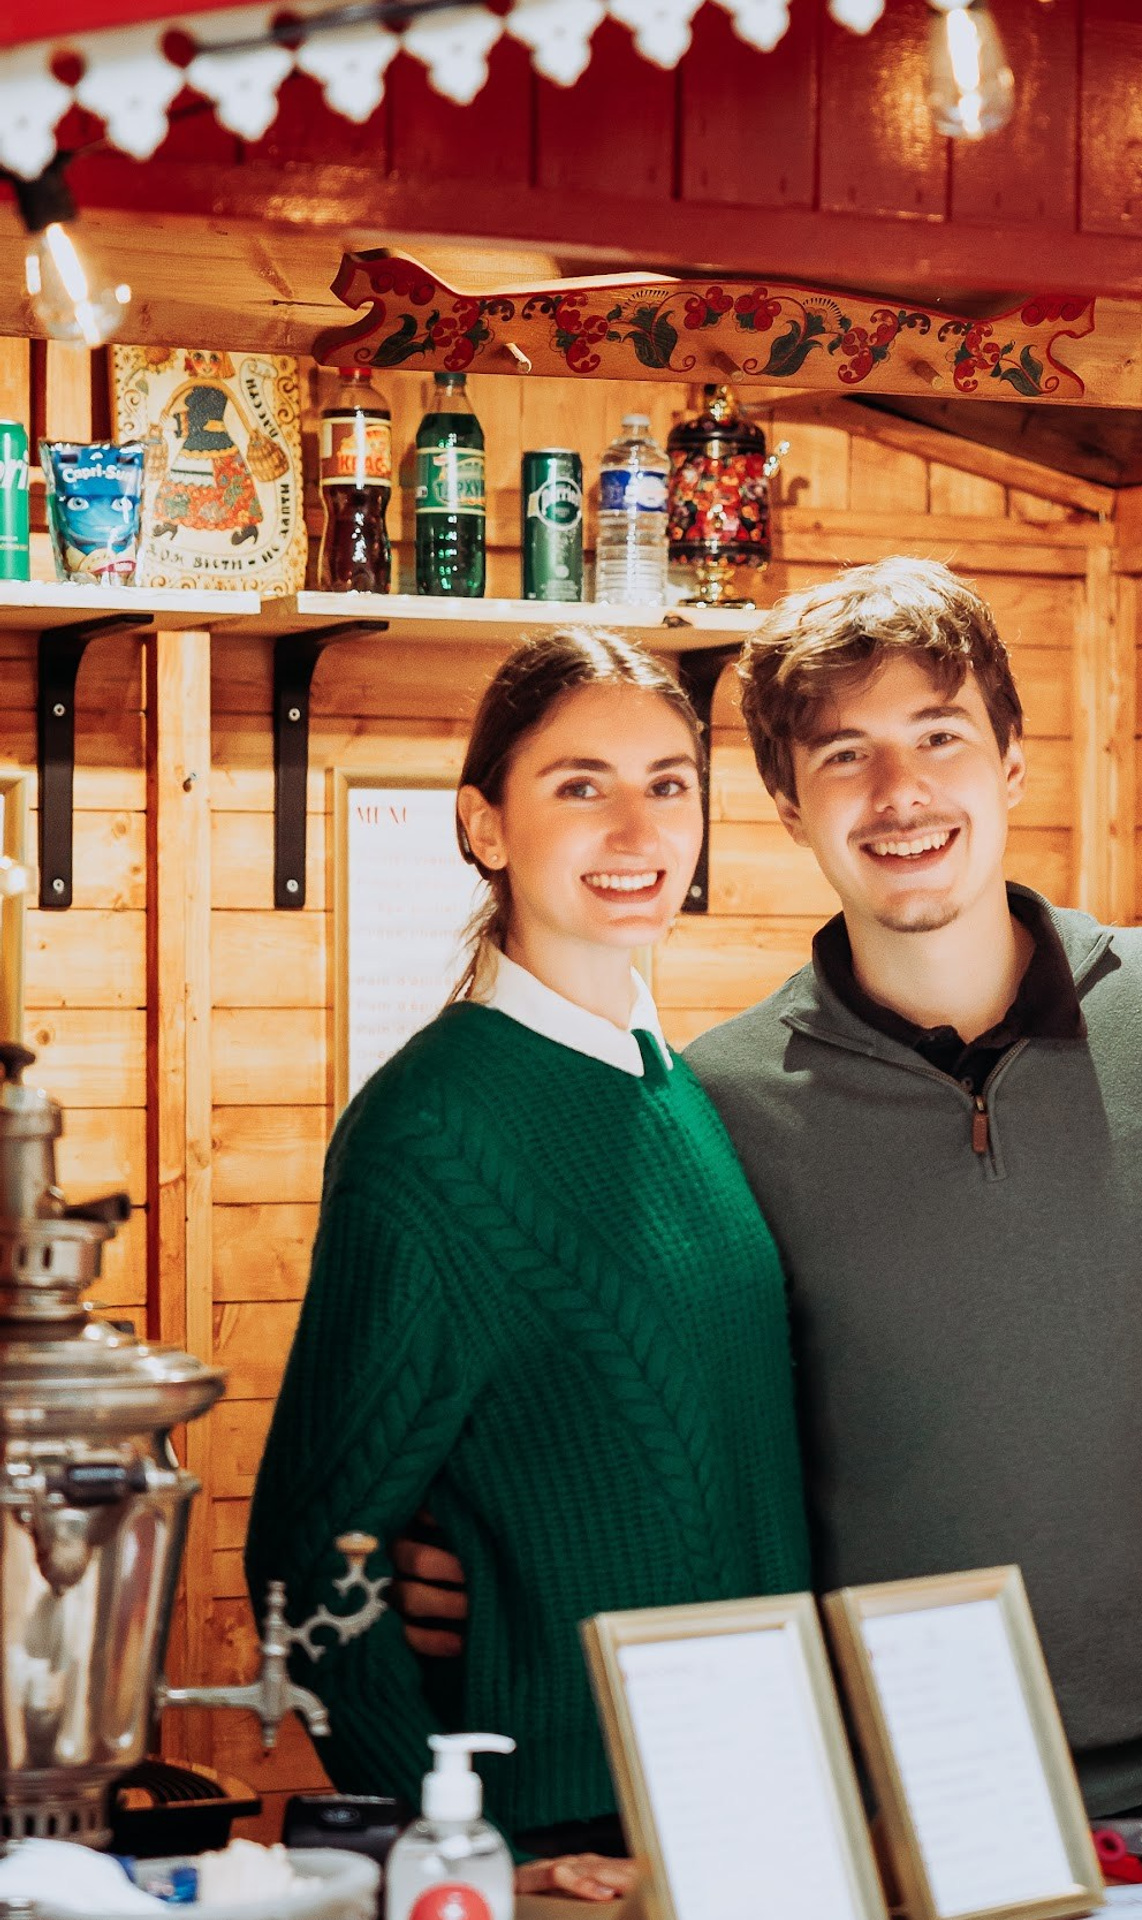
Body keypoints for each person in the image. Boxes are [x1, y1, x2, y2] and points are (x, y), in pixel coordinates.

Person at [401, 558, 1142, 1836]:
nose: (901, 794)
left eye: (940, 736)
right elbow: (650, 1429)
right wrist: (488, 1551)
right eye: (843, 755)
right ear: (788, 806)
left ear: (1012, 760)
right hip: (881, 1805)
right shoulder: (713, 1102)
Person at [244, 629, 810, 1896]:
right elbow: (304, 1550)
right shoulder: (434, 1132)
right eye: (579, 785)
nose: (636, 826)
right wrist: (471, 1849)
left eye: (669, 784)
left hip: (753, 1816)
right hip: (578, 1843)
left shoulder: (682, 1091)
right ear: (486, 826)